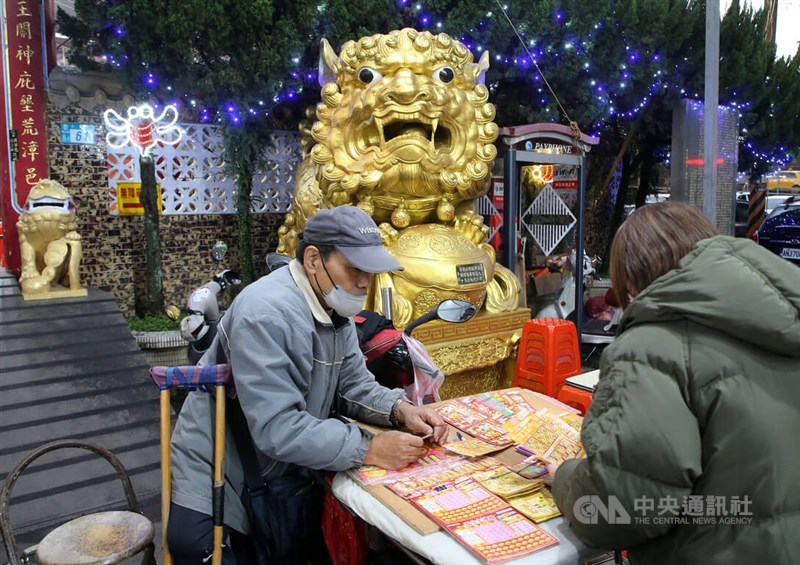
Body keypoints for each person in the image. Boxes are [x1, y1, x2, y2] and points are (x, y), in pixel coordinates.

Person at [167, 205, 448, 564]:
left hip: (275, 471)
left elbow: (353, 385)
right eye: (354, 269)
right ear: (314, 259)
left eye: (370, 272)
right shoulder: (266, 313)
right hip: (220, 472)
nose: (364, 282)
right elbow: (278, 427)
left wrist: (401, 409)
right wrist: (370, 448)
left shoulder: (334, 311)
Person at [549, 201, 800, 564]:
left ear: (633, 282)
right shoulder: (783, 320)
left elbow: (619, 509)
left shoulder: (650, 349)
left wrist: (566, 480)